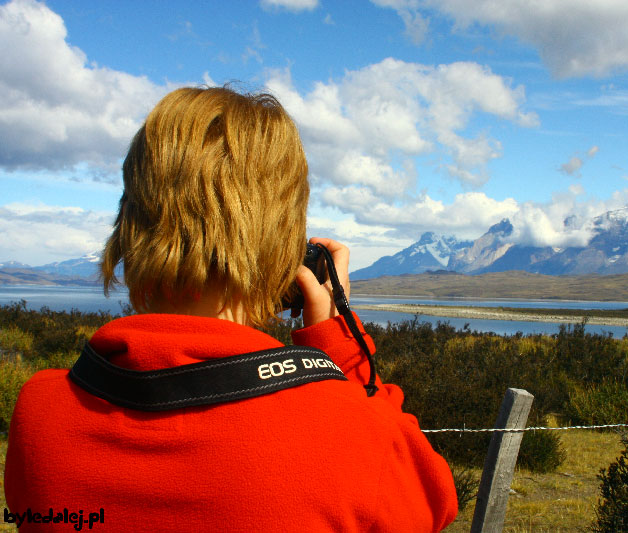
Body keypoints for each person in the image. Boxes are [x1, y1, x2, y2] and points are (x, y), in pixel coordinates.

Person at [4, 87, 458, 532]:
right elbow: (432, 501)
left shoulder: (41, 412)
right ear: (280, 239)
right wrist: (337, 343)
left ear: (130, 221)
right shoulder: (346, 432)